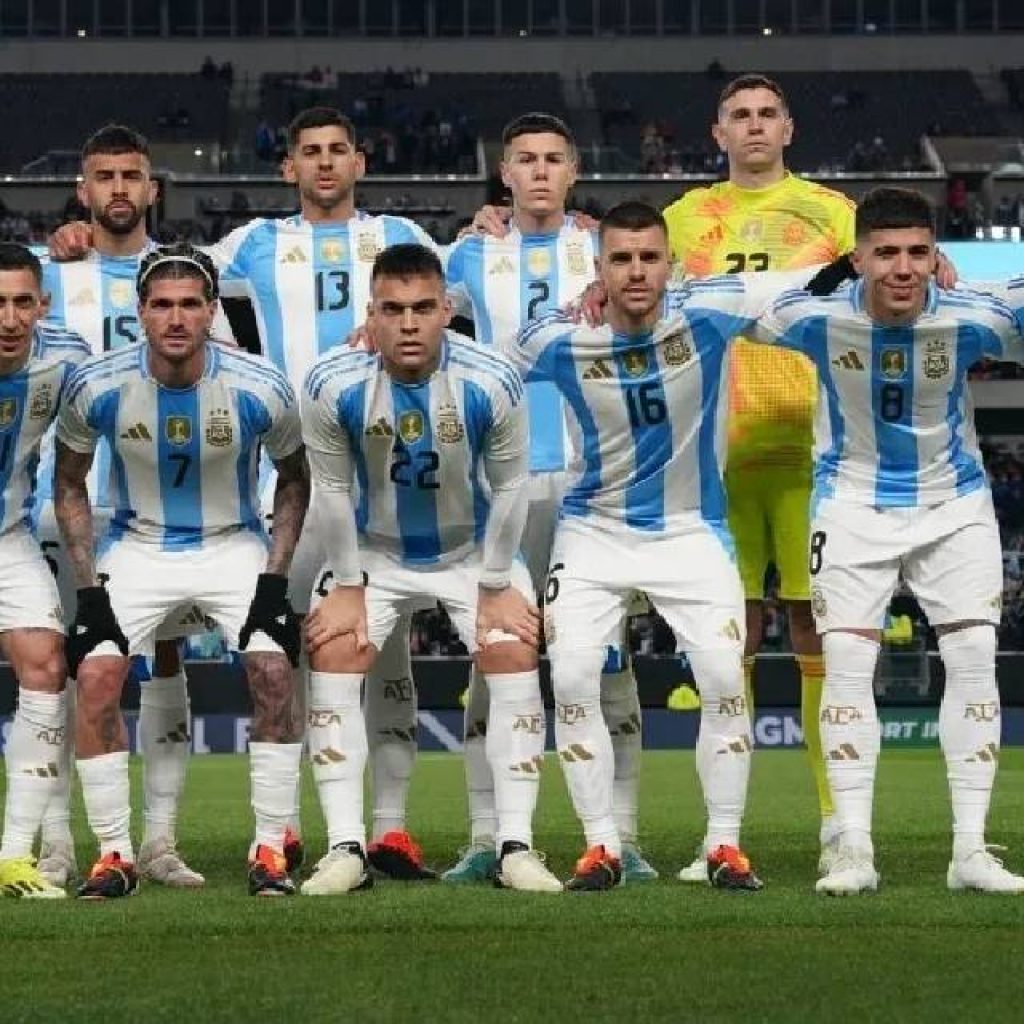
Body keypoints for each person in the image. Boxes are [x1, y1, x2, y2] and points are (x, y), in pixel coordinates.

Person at [50, 107, 438, 880]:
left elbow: (454, 296)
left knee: (380, 649)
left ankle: (386, 830)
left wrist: (520, 227)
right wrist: (74, 235)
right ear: (288, 166)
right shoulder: (253, 243)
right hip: (267, 480)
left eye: (338, 150)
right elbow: (173, 267)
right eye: (309, 152)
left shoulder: (405, 236)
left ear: (360, 161)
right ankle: (269, 832)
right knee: (280, 658)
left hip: (381, 468)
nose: (324, 163)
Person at [511, 201, 821, 890]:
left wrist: (914, 266)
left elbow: (809, 279)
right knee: (571, 679)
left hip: (690, 531)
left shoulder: (707, 313)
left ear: (670, 264)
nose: (636, 271)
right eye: (620, 260)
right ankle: (602, 847)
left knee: (723, 678)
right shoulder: (561, 339)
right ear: (599, 270)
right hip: (593, 530)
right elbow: (478, 356)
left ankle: (723, 845)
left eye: (649, 257)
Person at [754, 186, 1024, 894]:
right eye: (885, 254)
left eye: (917, 253)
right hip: (850, 505)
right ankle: (853, 848)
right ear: (859, 259)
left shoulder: (975, 315)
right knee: (846, 665)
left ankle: (970, 852)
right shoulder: (812, 318)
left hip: (954, 504)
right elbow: (733, 304)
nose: (902, 269)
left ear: (936, 257)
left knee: (974, 659)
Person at [298, 243, 560, 894]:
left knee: (512, 646)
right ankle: (344, 848)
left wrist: (496, 585)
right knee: (334, 647)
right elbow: (331, 490)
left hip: (472, 549)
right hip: (375, 550)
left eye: (422, 308)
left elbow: (511, 488)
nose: (408, 324)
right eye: (392, 310)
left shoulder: (491, 380)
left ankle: (514, 846)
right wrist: (348, 586)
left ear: (447, 310)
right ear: (371, 315)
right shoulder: (332, 382)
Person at [53, 243, 310, 898]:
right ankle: (114, 855)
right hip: (137, 543)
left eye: (190, 304)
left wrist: (275, 581)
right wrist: (88, 592)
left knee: (274, 670)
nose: (176, 318)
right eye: (162, 304)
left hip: (233, 543)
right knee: (96, 675)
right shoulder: (97, 385)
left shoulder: (259, 384)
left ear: (211, 310)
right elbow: (69, 484)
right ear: (140, 310)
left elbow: (294, 479)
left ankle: (270, 848)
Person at [443, 113, 653, 882]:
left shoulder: (603, 250)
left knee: (606, 660)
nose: (538, 172)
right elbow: (407, 302)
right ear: (504, 173)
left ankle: (622, 836)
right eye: (525, 160)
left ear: (574, 172)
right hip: (497, 484)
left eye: (552, 160)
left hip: (590, 485)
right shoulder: (470, 252)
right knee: (493, 660)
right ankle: (485, 836)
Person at [661, 74, 857, 879]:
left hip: (813, 450)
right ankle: (722, 834)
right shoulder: (684, 217)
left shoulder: (834, 213)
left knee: (819, 631)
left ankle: (839, 822)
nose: (753, 126)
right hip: (720, 454)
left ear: (788, 128)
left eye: (766, 114)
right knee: (726, 637)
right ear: (718, 133)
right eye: (738, 115)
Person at [36, 123, 208, 890]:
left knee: (165, 659)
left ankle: (161, 839)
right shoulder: (50, 272)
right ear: (82, 190)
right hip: (63, 499)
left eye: (130, 176)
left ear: (152, 189)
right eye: (103, 176)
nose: (117, 189)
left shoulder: (185, 275)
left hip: (154, 506)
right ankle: (56, 843)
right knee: (57, 672)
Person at [0, 244, 90, 899]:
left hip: (9, 538)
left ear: (43, 306)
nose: (8, 319)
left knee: (47, 664)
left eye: (21, 302)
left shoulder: (65, 361)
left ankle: (13, 857)